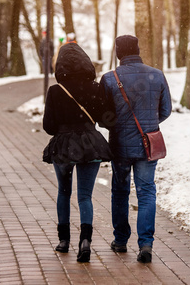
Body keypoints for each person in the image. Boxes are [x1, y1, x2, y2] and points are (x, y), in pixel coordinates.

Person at [99, 35, 172, 263]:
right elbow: (166, 109)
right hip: (147, 144)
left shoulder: (110, 79)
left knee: (120, 192)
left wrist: (118, 125)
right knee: (147, 192)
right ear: (138, 50)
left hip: (119, 146)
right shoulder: (157, 75)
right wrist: (149, 123)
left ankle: (120, 240)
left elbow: (104, 117)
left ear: (119, 52)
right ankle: (146, 244)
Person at [42, 43, 113, 262]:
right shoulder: (95, 87)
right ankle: (85, 241)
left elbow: (49, 127)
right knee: (85, 196)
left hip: (63, 146)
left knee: (64, 192)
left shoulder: (56, 90)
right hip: (91, 143)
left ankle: (64, 241)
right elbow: (105, 118)